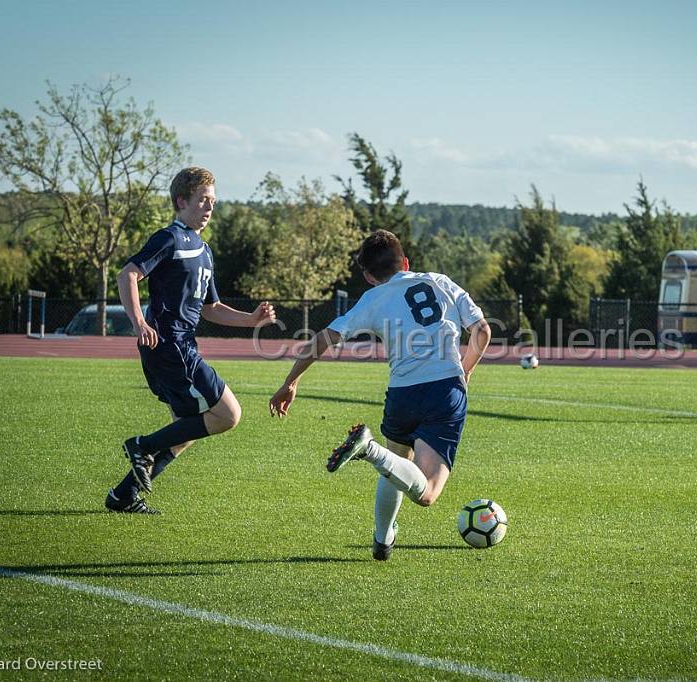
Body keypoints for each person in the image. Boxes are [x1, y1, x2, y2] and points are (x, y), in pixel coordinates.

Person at [269, 229, 491, 560]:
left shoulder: (372, 299)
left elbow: (324, 338)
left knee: (398, 462)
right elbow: (482, 330)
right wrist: (467, 369)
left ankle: (383, 538)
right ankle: (369, 449)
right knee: (428, 492)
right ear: (405, 261)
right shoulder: (441, 281)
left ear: (370, 276)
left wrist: (291, 381)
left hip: (401, 395)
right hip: (444, 392)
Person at [105, 167, 276, 514]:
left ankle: (123, 495)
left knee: (185, 434)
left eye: (213, 201)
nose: (209, 207)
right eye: (202, 200)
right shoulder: (169, 238)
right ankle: (142, 445)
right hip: (171, 345)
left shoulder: (205, 250)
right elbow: (129, 274)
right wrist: (138, 321)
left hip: (177, 346)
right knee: (229, 414)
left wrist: (250, 320)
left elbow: (210, 308)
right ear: (182, 202)